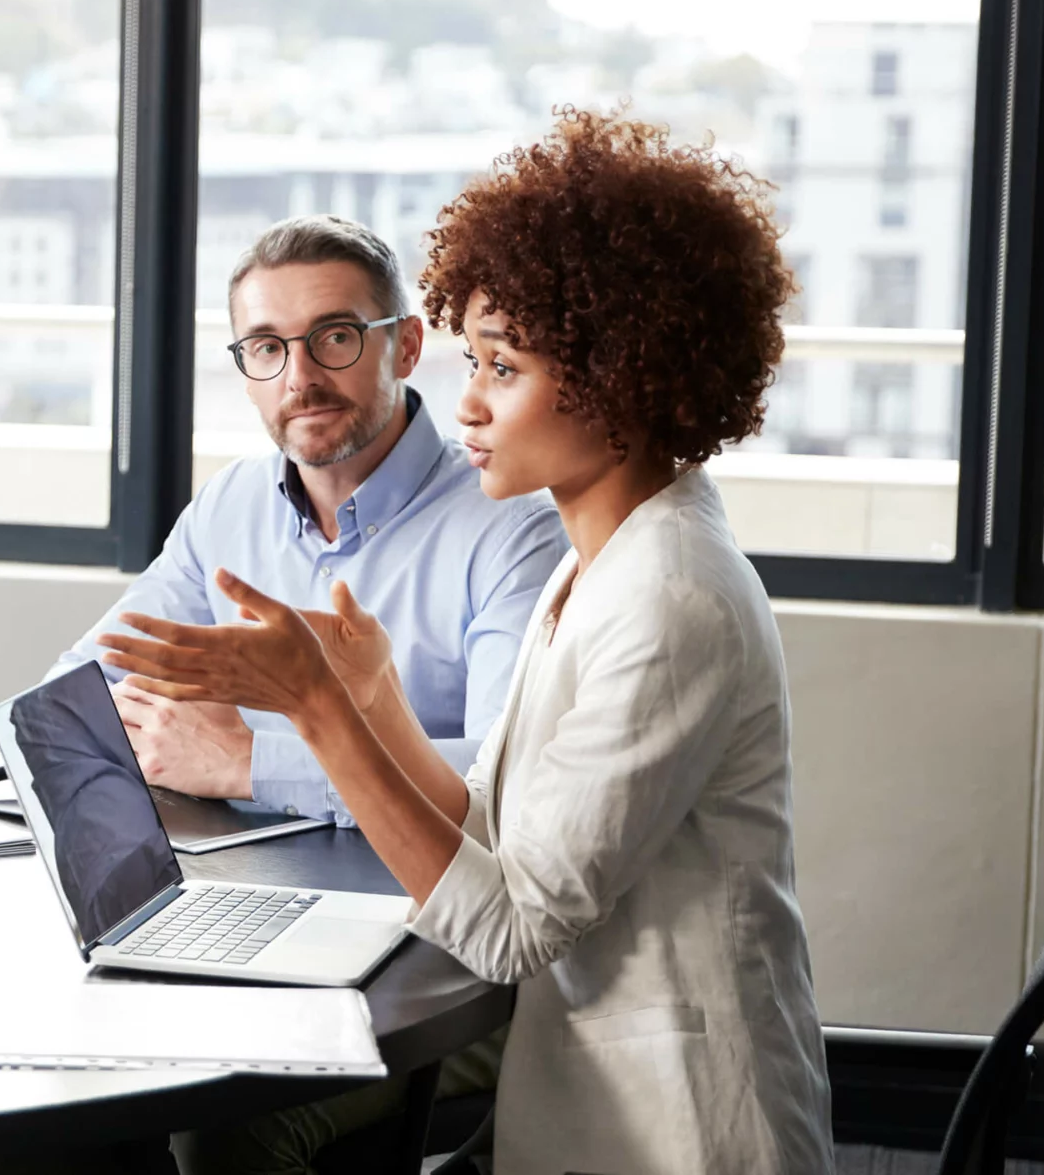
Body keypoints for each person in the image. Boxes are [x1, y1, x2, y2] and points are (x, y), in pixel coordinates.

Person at [102, 109, 832, 1173]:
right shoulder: (603, 560)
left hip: (683, 1126)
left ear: (619, 379)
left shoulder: (671, 599)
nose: (469, 403)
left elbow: (506, 928)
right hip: (588, 1093)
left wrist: (319, 713)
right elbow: (497, 821)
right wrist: (377, 698)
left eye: (502, 366)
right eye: (474, 360)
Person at [51, 215, 565, 827]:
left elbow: (502, 779)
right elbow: (76, 694)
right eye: (268, 347)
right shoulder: (229, 505)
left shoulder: (515, 530)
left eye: (335, 336)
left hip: (426, 900)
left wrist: (249, 765)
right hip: (241, 880)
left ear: (405, 346)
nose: (300, 378)